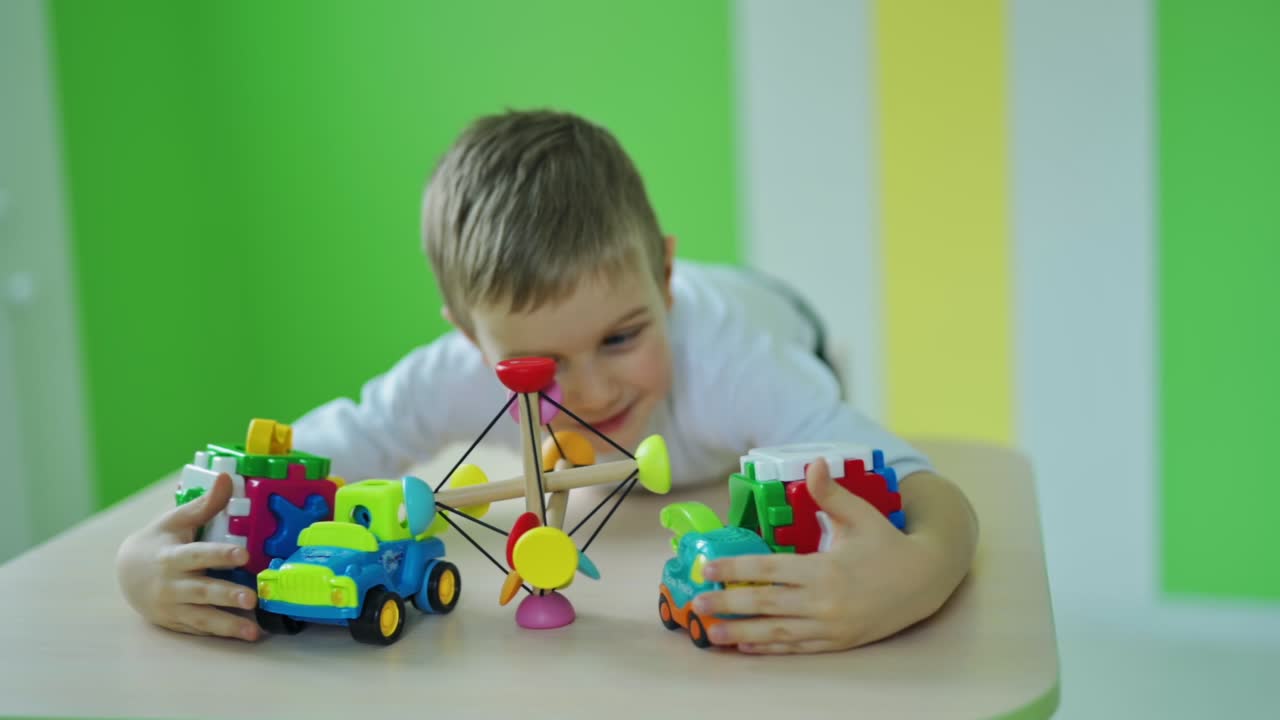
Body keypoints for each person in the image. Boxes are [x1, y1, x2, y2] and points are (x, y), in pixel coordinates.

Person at [116, 109, 978, 654]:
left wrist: (918, 576)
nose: (595, 390)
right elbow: (304, 457)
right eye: (540, 365)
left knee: (808, 431)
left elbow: (924, 487)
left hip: (783, 319)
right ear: (466, 337)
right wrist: (145, 555)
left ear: (664, 282)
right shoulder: (455, 374)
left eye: (621, 337)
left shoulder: (732, 365)